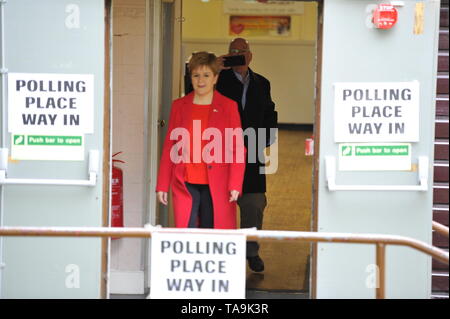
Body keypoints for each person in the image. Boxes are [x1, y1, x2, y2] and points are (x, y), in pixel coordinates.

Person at [156, 51, 245, 230]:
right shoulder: (179, 106)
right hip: (186, 182)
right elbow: (170, 148)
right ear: (190, 77)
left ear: (215, 78)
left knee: (211, 232)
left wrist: (235, 183)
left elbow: (237, 148)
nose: (201, 80)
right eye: (196, 75)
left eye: (206, 75)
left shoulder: (228, 107)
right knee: (187, 233)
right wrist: (162, 184)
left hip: (218, 184)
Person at [216, 38, 278, 272]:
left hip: (252, 151)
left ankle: (251, 251)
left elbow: (270, 111)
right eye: (233, 52)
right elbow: (193, 92)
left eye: (242, 52)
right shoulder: (216, 80)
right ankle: (223, 254)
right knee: (222, 203)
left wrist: (267, 138)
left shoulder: (262, 83)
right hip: (222, 151)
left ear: (250, 55)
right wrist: (215, 69)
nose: (238, 56)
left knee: (254, 203)